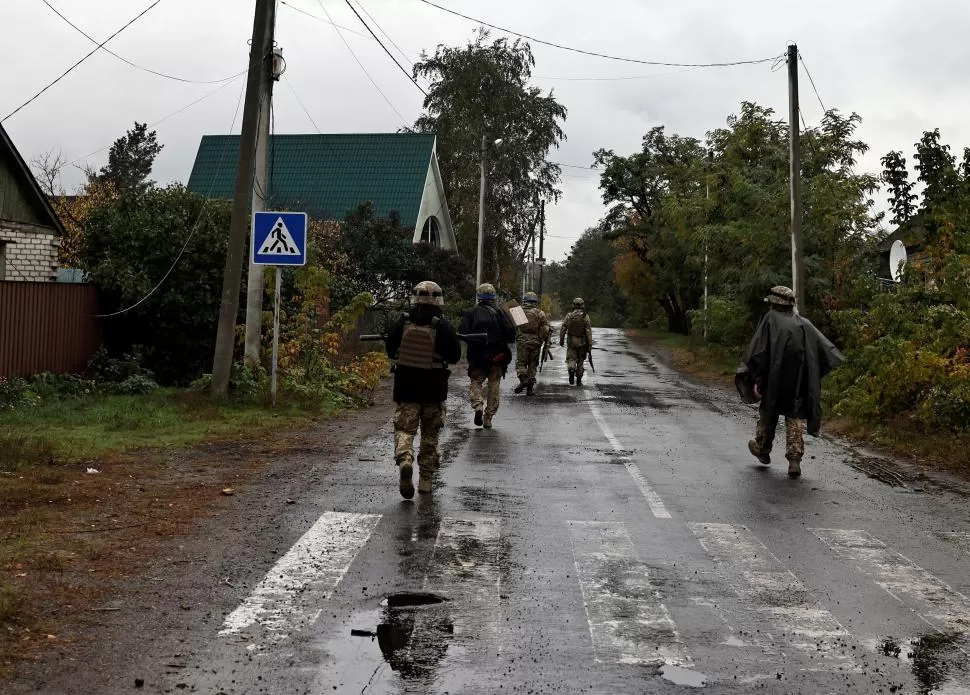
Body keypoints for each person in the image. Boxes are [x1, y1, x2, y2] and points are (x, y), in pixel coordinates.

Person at [736, 285, 844, 477]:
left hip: (774, 380)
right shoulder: (804, 324)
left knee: (768, 413)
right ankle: (794, 460)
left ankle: (763, 448)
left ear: (774, 304)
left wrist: (756, 379)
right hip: (799, 382)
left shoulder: (770, 320)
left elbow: (760, 352)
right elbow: (821, 352)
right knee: (795, 417)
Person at [385, 281, 462, 499]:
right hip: (434, 390)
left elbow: (391, 350)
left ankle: (405, 459)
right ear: (438, 300)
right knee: (430, 436)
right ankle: (426, 480)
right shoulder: (443, 326)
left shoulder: (403, 322)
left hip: (406, 387)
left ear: (415, 298)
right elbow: (455, 356)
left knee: (404, 430)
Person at [459, 283, 516, 428]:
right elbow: (511, 335)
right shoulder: (502, 313)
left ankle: (478, 404)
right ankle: (488, 418)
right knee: (494, 385)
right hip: (498, 356)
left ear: (479, 296)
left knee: (476, 381)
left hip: (478, 355)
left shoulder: (471, 312)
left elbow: (463, 333)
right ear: (494, 296)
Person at [514, 292, 550, 396]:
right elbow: (545, 329)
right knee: (533, 365)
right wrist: (541, 338)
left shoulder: (518, 311)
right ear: (535, 301)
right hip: (536, 342)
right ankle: (530, 389)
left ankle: (523, 379)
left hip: (522, 341)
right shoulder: (540, 313)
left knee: (521, 363)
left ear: (525, 300)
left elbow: (515, 326)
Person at [559, 297, 593, 386]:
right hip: (582, 343)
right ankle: (578, 380)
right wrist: (590, 343)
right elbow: (588, 331)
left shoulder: (569, 316)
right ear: (582, 306)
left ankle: (571, 369)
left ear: (573, 305)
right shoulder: (585, 316)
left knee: (571, 358)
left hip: (571, 342)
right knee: (581, 361)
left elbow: (563, 328)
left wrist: (561, 340)